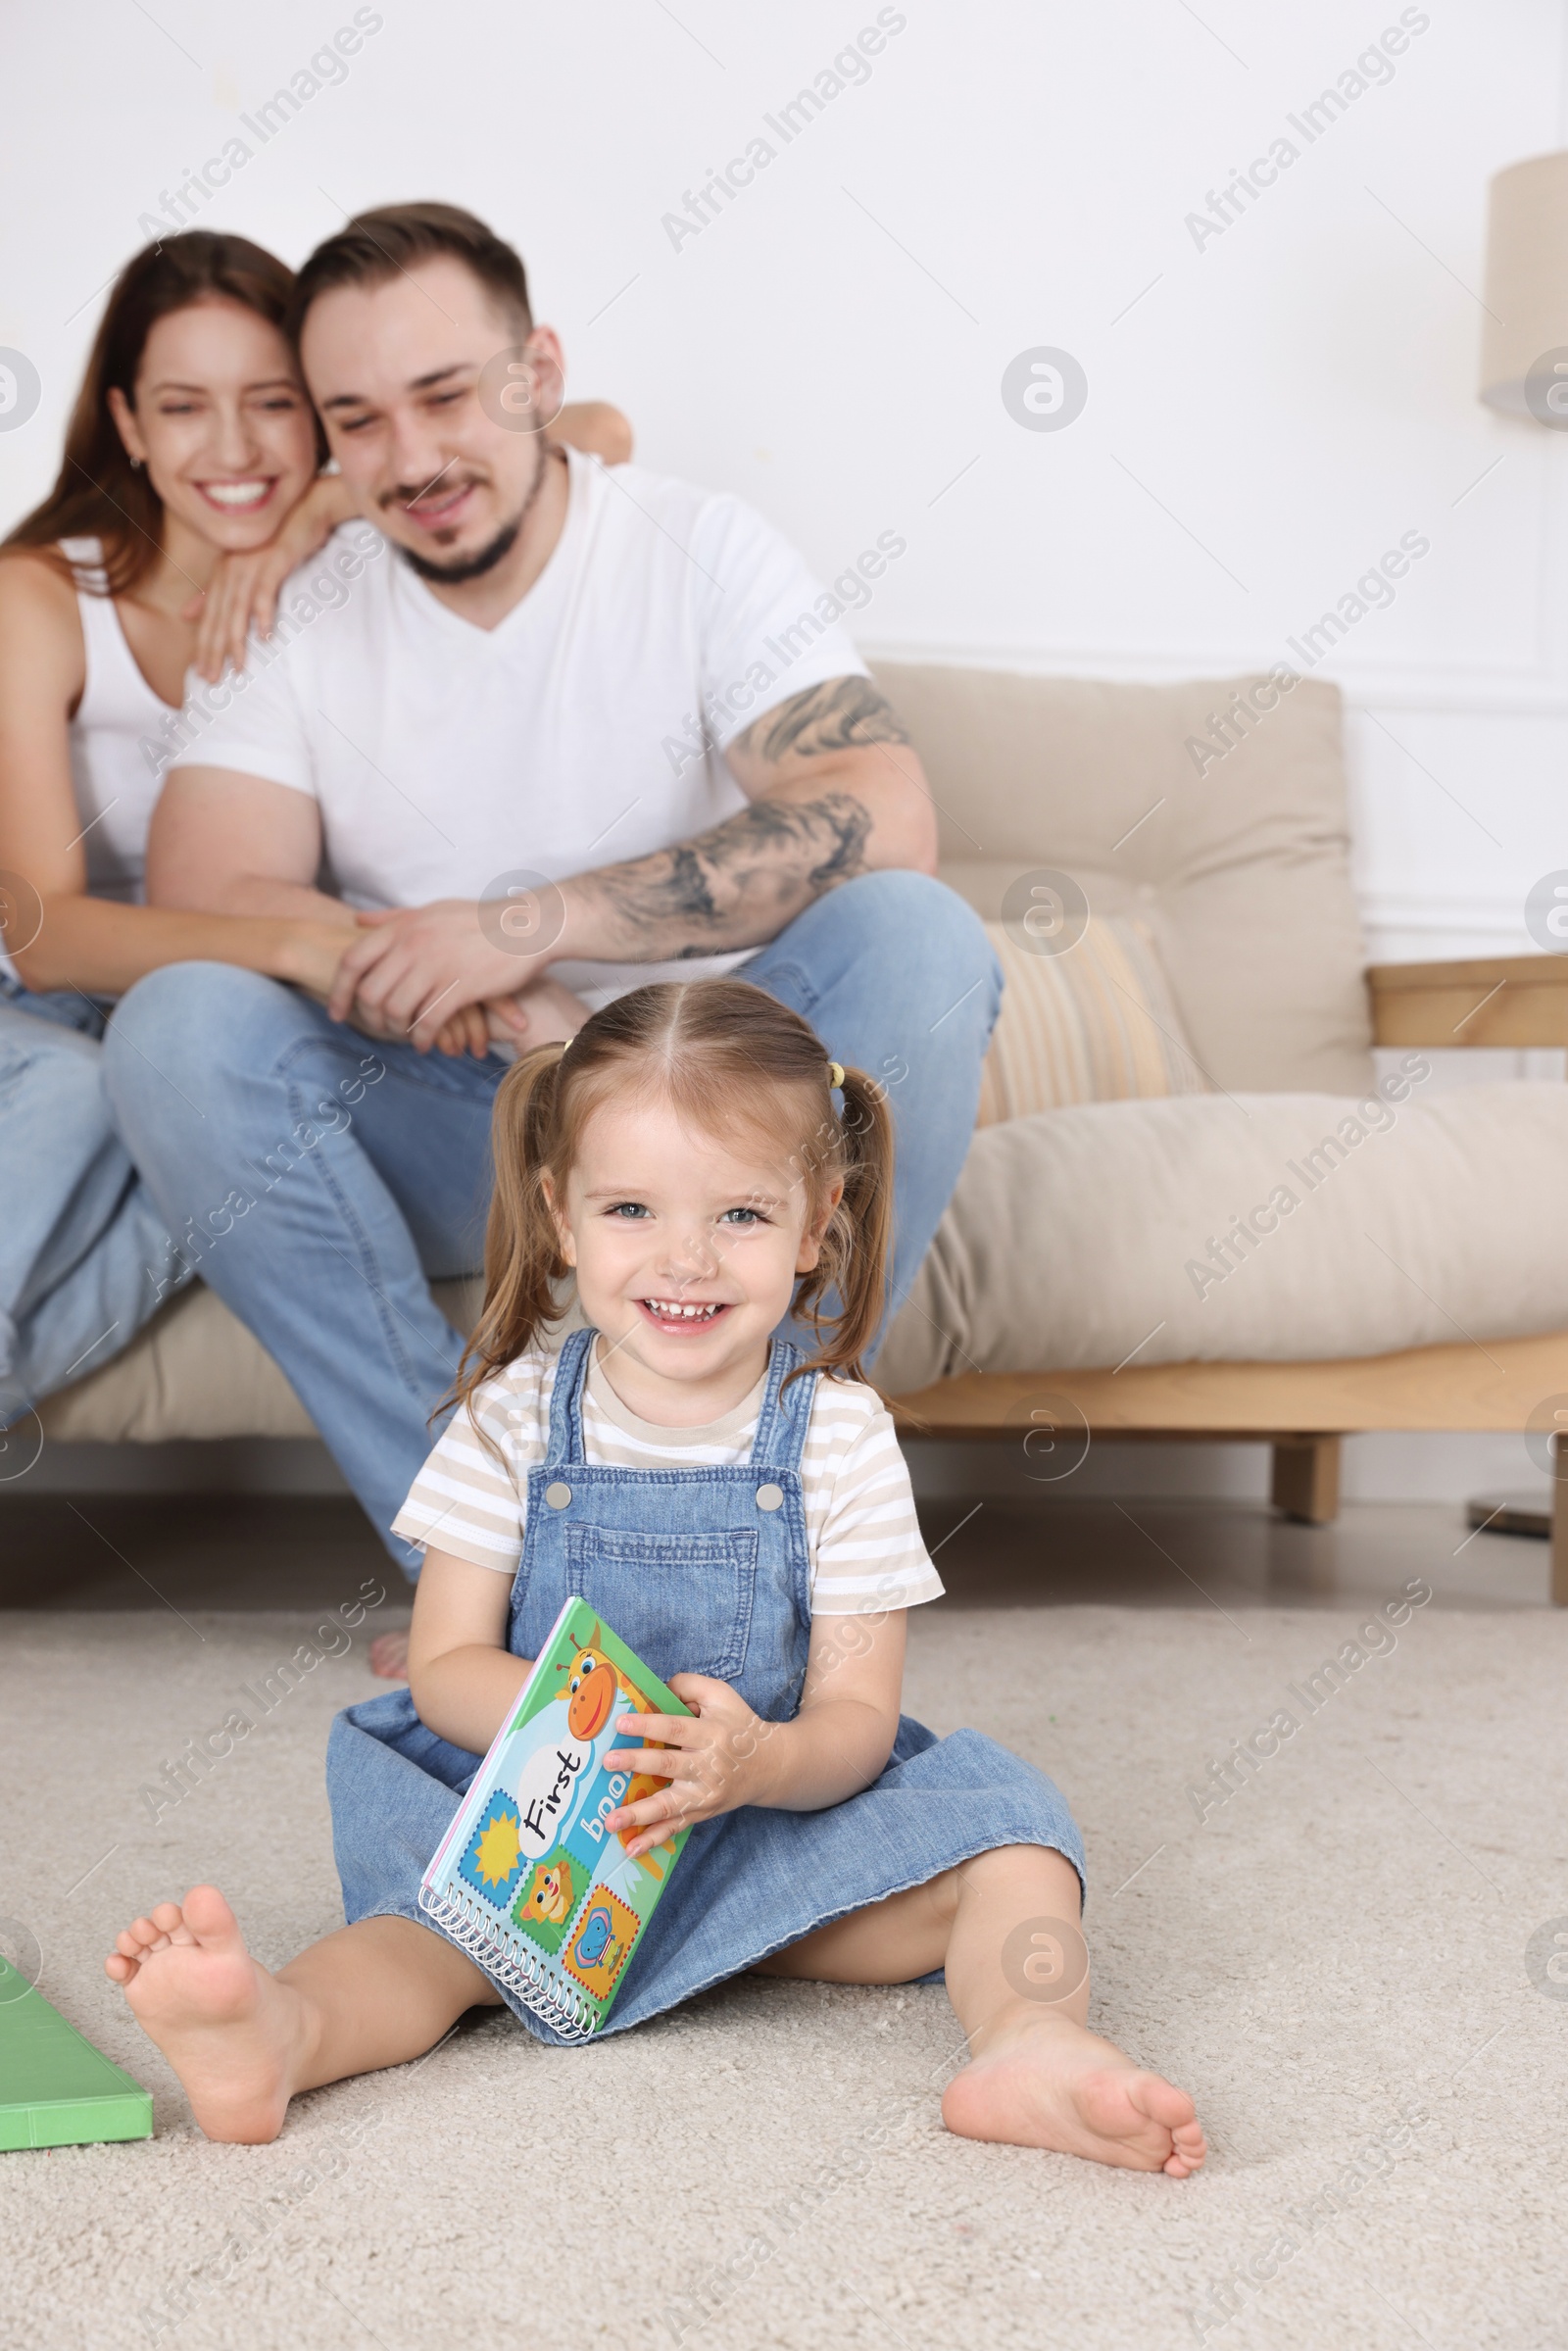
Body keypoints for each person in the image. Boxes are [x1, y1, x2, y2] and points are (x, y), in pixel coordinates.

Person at [105, 977, 1205, 2176]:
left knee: (1016, 1841)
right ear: (562, 1217)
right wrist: (604, 1745)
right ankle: (281, 2030)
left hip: (766, 1830)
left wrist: (759, 1762)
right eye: (631, 1206)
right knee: (425, 1932)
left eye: (740, 1213)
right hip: (538, 1839)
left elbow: (855, 1714)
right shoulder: (512, 1418)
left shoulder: (837, 1436)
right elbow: (444, 1666)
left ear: (818, 1222)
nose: (685, 1256)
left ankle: (1029, 2041)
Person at [101, 202, 999, 1592]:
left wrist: (519, 928)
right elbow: (206, 886)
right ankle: (497, 1578)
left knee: (921, 935)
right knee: (178, 1029)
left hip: (726, 1103)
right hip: (471, 1111)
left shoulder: (698, 542)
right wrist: (458, 983)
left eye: (446, 395)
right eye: (359, 420)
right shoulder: (291, 605)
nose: (413, 459)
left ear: (538, 376)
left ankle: (769, 1516)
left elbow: (885, 810)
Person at [0, 227, 628, 1425]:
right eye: (184, 408)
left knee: (217, 1146)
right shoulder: (42, 596)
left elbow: (597, 431)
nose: (233, 451)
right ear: (128, 425)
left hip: (223, 1021)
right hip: (60, 992)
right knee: (105, 1096)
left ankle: (462, 1514)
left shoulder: (353, 558)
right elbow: (42, 935)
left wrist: (325, 507)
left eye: (276, 405)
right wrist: (304, 945)